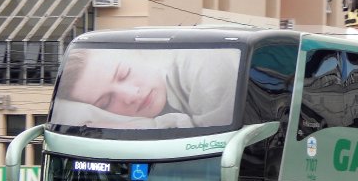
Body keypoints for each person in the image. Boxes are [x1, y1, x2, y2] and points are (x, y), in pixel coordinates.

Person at [50, 47, 240, 129]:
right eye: (106, 102)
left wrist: (148, 128)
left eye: (124, 73)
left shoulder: (205, 65)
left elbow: (213, 145)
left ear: (137, 53)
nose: (131, 95)